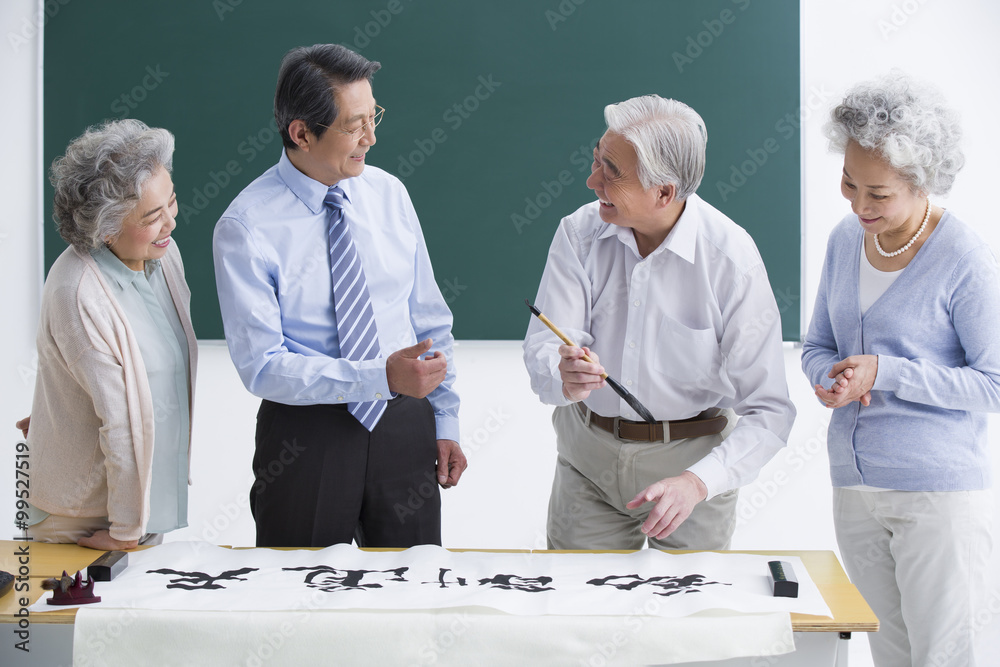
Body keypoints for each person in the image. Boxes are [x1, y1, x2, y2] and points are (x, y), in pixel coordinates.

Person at [213, 44, 465, 549]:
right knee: (299, 596)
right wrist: (377, 376)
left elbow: (429, 318)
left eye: (374, 118)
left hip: (403, 423)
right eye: (354, 126)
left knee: (411, 592)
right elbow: (261, 366)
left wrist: (445, 417)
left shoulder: (389, 193)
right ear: (301, 133)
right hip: (308, 436)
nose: (370, 138)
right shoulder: (245, 226)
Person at [523, 95, 795, 551]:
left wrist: (697, 482)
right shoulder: (578, 233)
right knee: (578, 608)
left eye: (611, 172)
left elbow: (770, 412)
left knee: (689, 614)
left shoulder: (731, 259)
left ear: (664, 192)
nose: (592, 182)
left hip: (694, 462)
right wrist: (563, 375)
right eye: (596, 162)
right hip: (588, 454)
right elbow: (545, 351)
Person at [801, 73, 998, 667]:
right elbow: (816, 342)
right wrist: (829, 377)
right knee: (889, 654)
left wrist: (885, 373)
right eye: (848, 183)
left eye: (878, 194)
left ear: (923, 182)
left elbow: (993, 383)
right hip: (855, 490)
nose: (859, 204)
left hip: (934, 495)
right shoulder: (844, 240)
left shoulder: (964, 259)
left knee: (942, 658)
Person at [18, 119, 196, 550]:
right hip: (83, 516)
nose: (171, 222)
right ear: (106, 227)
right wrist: (124, 532)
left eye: (171, 202)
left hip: (139, 508)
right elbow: (119, 419)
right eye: (153, 216)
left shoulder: (162, 259)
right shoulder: (76, 291)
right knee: (69, 618)